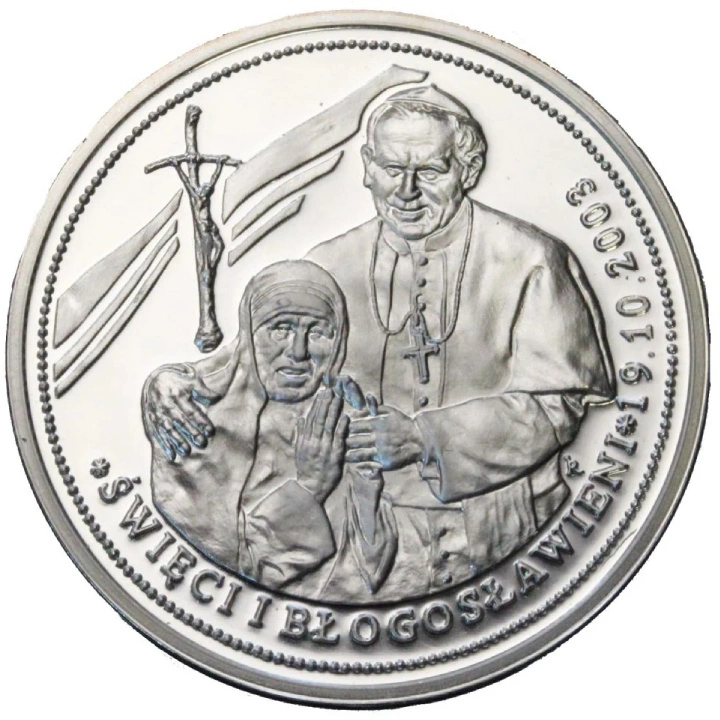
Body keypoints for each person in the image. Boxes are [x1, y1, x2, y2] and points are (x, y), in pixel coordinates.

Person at [145, 84, 615, 601]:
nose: (406, 191)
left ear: (468, 170)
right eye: (392, 169)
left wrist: (423, 438)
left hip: (501, 525)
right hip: (367, 537)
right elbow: (250, 364)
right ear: (368, 167)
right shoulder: (330, 262)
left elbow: (557, 405)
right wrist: (170, 384)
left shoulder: (532, 260)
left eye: (429, 171)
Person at [144, 260, 397, 598]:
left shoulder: (338, 419)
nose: (298, 352)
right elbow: (232, 567)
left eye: (317, 333)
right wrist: (310, 488)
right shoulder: (191, 422)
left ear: (338, 342)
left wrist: (365, 485)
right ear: (250, 335)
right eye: (280, 329)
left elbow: (373, 577)